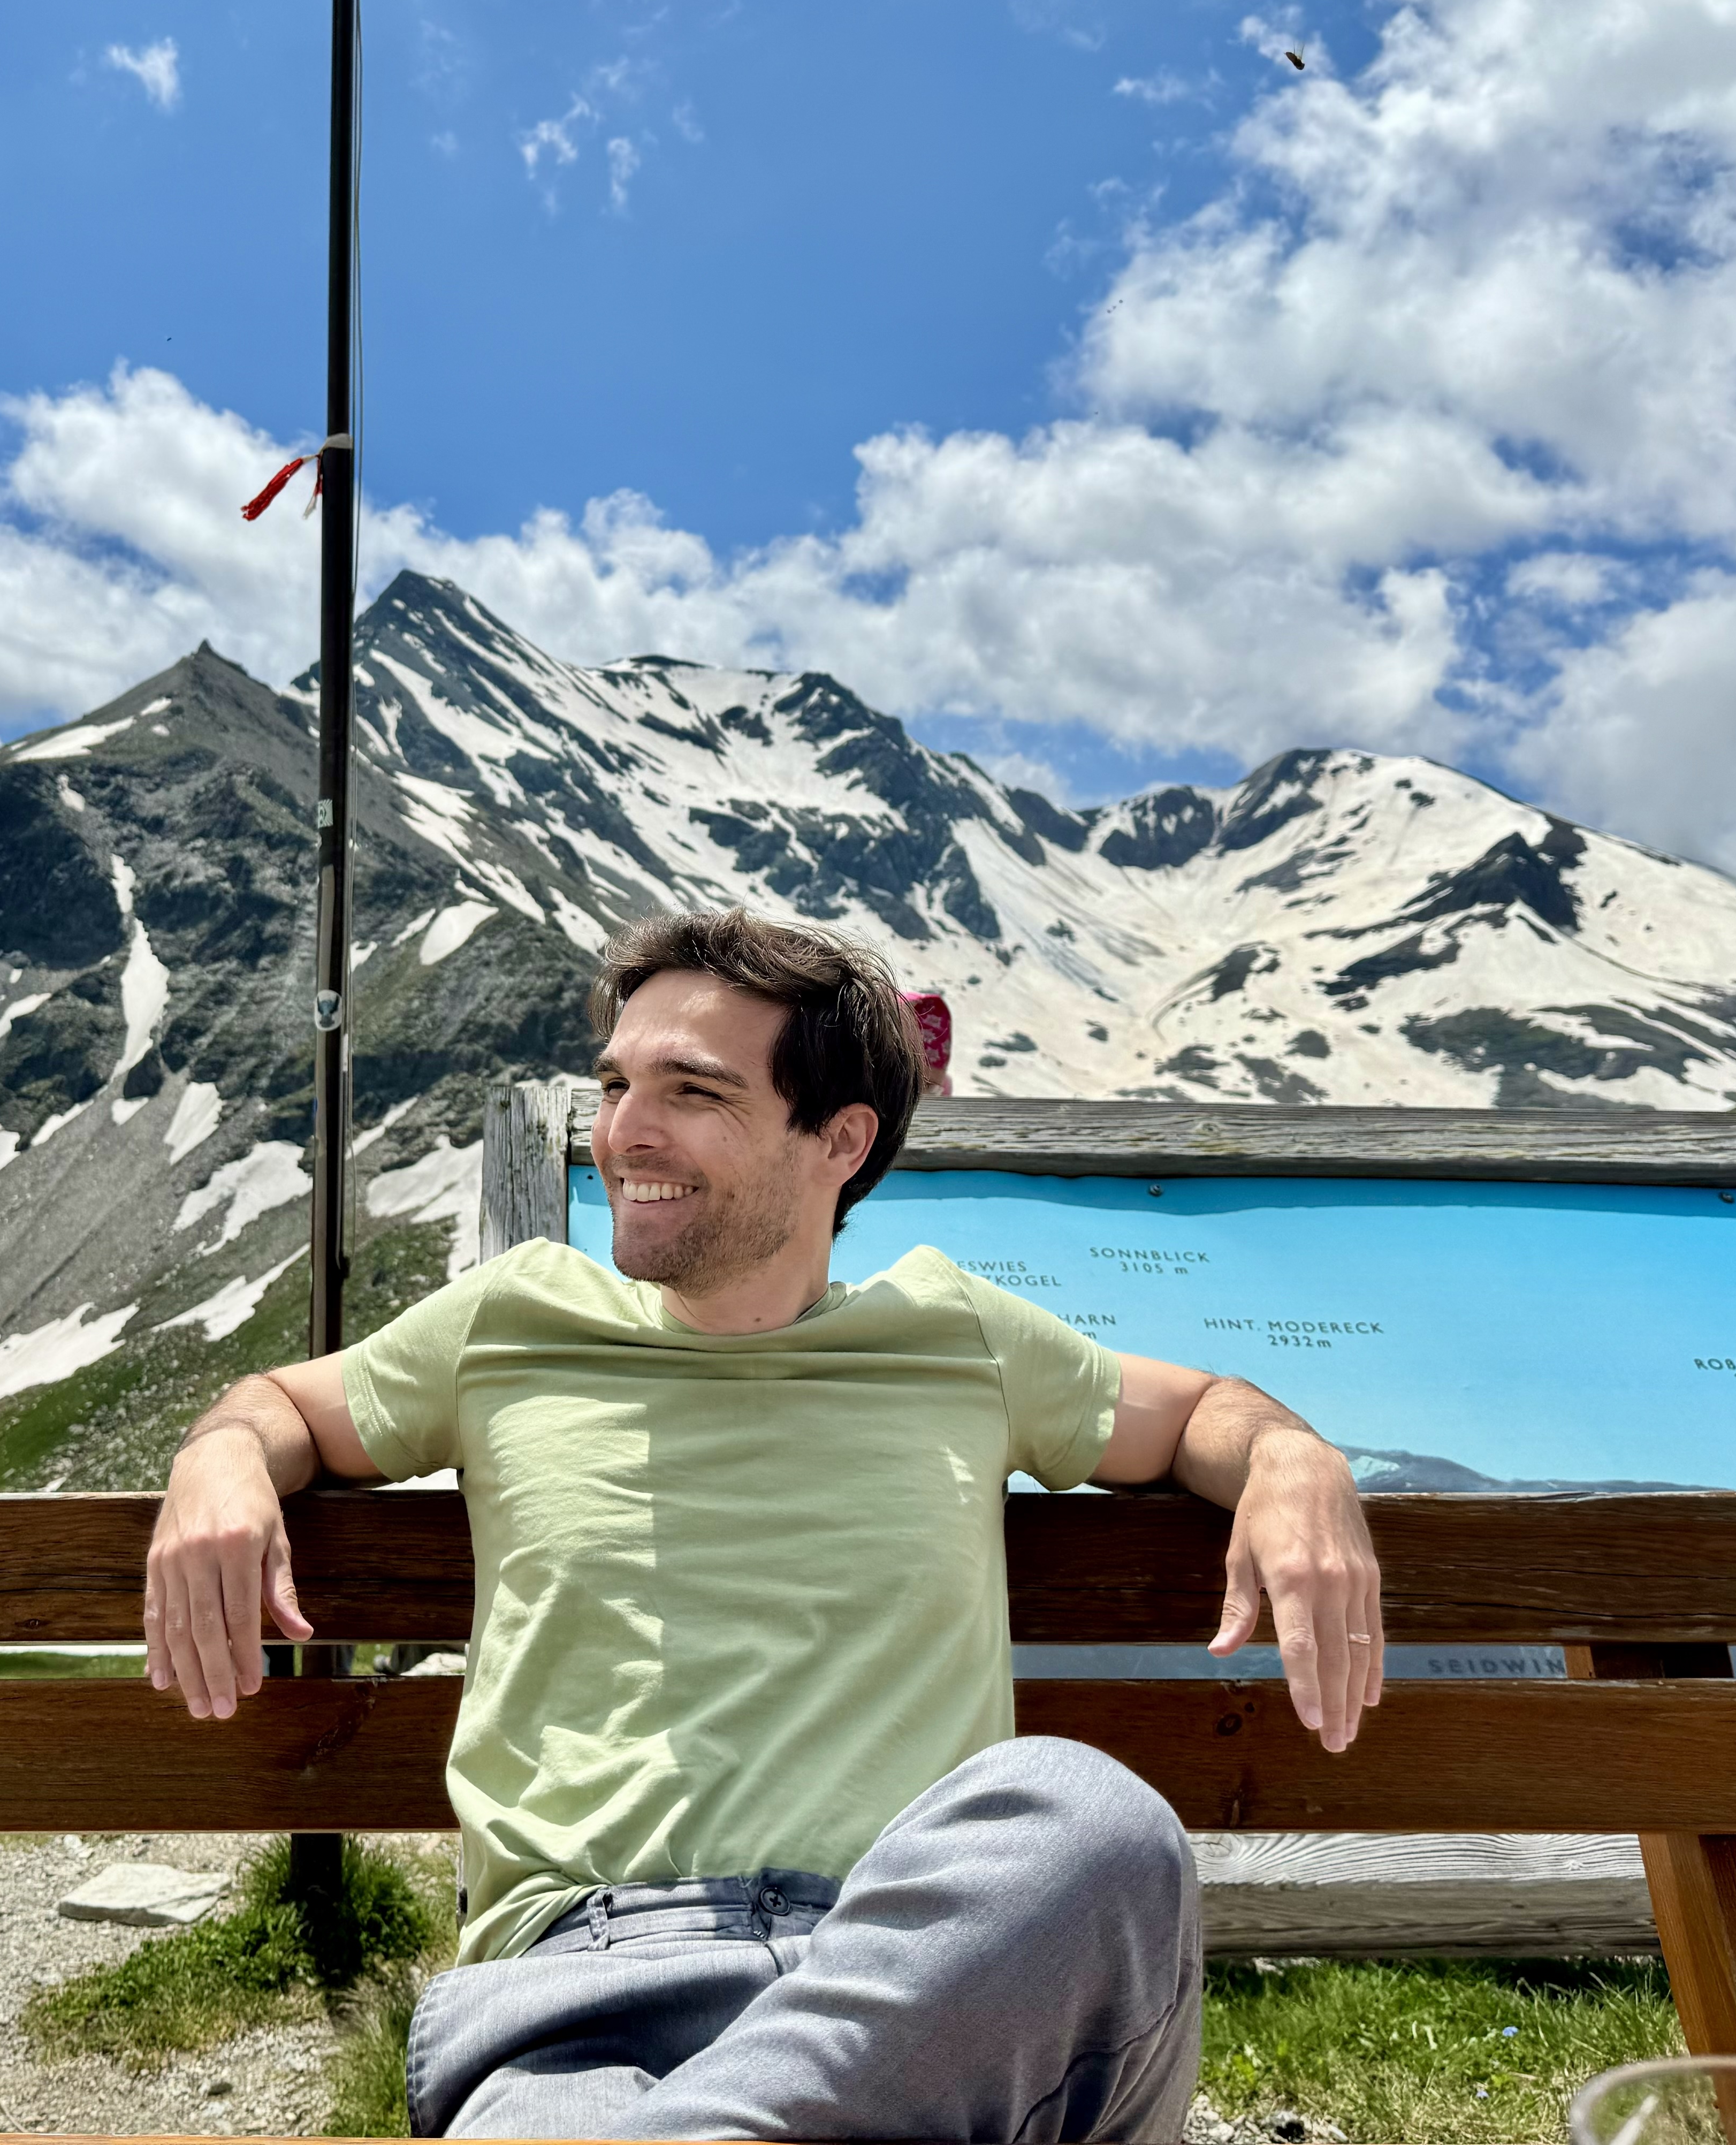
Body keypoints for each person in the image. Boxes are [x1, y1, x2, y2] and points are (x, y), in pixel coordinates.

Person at [143, 910, 1385, 2143]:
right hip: (576, 2006)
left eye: (694, 1092)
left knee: (1095, 1823)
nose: (624, 1131)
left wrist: (1289, 1456)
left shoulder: (957, 1337)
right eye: (618, 1082)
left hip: (905, 1987)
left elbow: (1199, 1412)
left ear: (840, 1141)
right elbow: (277, 1409)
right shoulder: (509, 1323)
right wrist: (220, 1457)